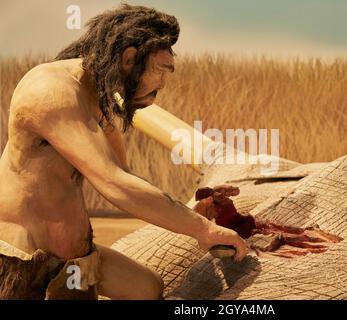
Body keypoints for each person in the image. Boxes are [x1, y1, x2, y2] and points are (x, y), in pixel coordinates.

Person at [0, 4, 247, 300]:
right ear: (129, 59)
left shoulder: (98, 98)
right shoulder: (50, 92)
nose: (161, 87)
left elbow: (125, 176)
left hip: (78, 261)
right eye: (160, 71)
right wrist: (202, 229)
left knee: (146, 288)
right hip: (23, 261)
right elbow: (114, 183)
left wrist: (189, 214)